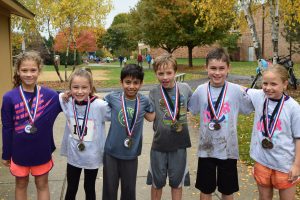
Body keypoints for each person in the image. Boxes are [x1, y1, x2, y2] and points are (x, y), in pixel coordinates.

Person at [188, 48, 253, 200]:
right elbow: (192, 108)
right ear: (206, 68)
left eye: (221, 68)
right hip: (206, 149)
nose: (217, 73)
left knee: (227, 190)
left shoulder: (236, 91)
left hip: (228, 149)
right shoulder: (200, 90)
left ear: (228, 68)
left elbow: (252, 105)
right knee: (205, 189)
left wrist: (248, 90)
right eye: (213, 68)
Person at [1, 51, 62, 200]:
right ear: (18, 71)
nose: (29, 74)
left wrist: (92, 96)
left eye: (33, 70)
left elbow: (75, 97)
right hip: (19, 151)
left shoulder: (51, 96)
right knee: (21, 184)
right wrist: (6, 153)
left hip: (42, 150)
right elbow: (7, 127)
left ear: (39, 70)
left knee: (42, 184)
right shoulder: (9, 97)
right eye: (24, 70)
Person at [246, 64, 300, 200]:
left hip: (285, 165)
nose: (268, 88)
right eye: (265, 83)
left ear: (285, 84)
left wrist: (297, 165)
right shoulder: (259, 96)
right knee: (264, 198)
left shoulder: (293, 108)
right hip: (262, 161)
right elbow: (241, 89)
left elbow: (299, 138)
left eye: (273, 84)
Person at [102, 64, 155, 200]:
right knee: (109, 189)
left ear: (141, 84)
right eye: (128, 82)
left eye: (136, 83)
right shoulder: (112, 97)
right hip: (111, 152)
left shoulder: (144, 101)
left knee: (129, 189)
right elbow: (96, 104)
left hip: (131, 154)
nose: (131, 86)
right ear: (121, 82)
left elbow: (151, 117)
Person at [146, 53, 193, 200]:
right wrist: (139, 105)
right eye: (160, 73)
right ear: (156, 74)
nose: (165, 77)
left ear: (175, 72)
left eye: (169, 73)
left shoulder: (184, 88)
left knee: (176, 183)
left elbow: (193, 106)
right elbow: (151, 117)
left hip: (180, 145)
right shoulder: (153, 92)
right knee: (157, 182)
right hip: (159, 145)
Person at [59, 68, 109, 200]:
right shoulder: (67, 102)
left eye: (84, 87)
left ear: (91, 88)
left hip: (92, 155)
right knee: (71, 187)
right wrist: (67, 94)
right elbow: (59, 96)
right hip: (74, 154)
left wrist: (102, 97)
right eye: (75, 87)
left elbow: (113, 112)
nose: (80, 91)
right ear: (70, 88)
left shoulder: (99, 105)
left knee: (89, 187)